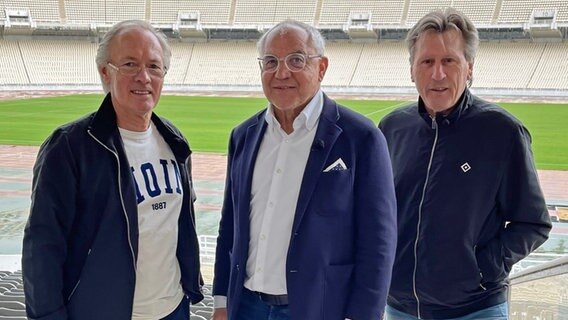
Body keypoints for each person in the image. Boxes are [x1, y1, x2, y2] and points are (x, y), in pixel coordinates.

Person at [211, 19, 397, 320]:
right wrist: (221, 300)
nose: (281, 72)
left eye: (296, 60)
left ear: (321, 67)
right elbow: (229, 225)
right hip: (245, 306)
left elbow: (378, 241)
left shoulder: (360, 138)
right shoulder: (243, 135)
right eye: (270, 61)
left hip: (318, 307)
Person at [22, 20, 203, 320]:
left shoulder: (174, 141)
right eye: (130, 64)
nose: (144, 77)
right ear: (106, 72)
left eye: (154, 67)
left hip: (173, 309)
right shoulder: (68, 147)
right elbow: (42, 245)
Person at [378, 8, 552, 320]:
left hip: (475, 310)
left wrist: (482, 269)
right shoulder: (391, 128)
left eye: (449, 61)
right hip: (400, 308)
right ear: (411, 69)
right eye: (427, 62)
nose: (438, 74)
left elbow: (533, 223)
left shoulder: (502, 132)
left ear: (468, 67)